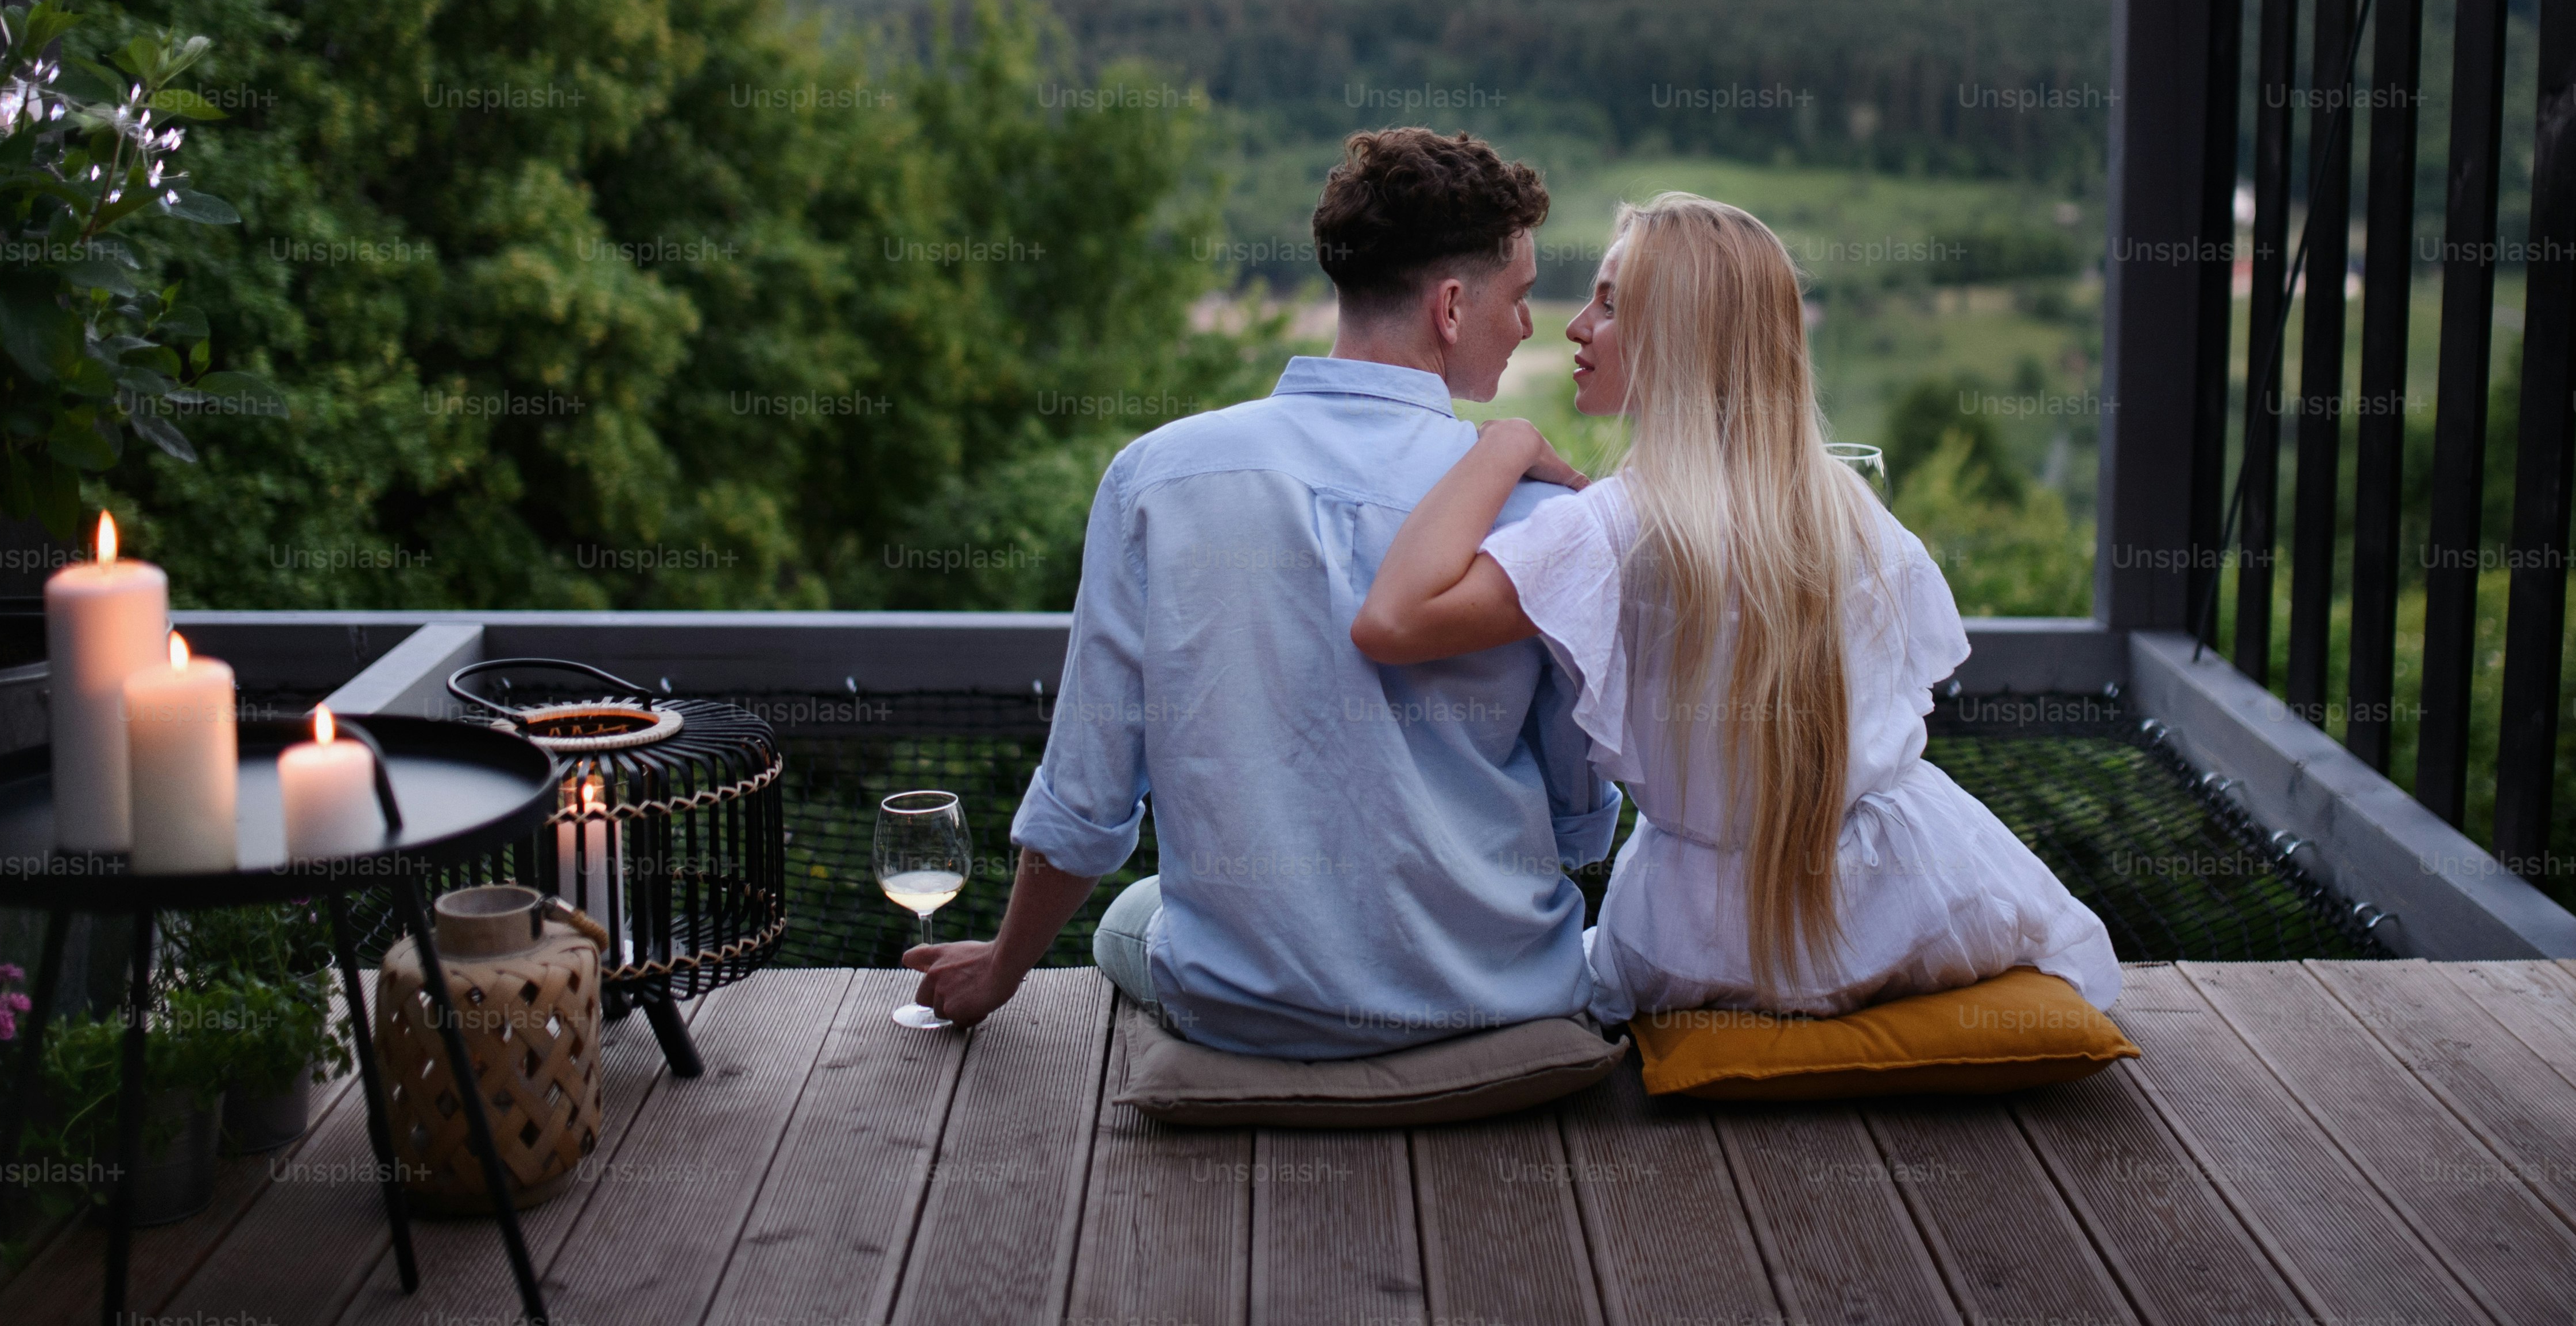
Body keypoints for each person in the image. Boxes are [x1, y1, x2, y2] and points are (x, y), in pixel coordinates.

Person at [903, 127, 1620, 1055]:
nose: (1528, 325)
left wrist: (1002, 966)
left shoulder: (1156, 479)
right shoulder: (1540, 513)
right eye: (1519, 298)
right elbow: (1577, 821)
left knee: (1138, 909)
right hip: (1502, 994)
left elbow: (1086, 800)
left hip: (1250, 1011)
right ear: (1450, 307)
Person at [1353, 190, 2120, 1024]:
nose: (1575, 326)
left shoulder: (1612, 527)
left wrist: (1501, 443)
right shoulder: (1844, 501)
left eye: (1609, 303)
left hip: (1704, 934)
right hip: (1915, 895)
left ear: (1678, 335)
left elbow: (1392, 619)